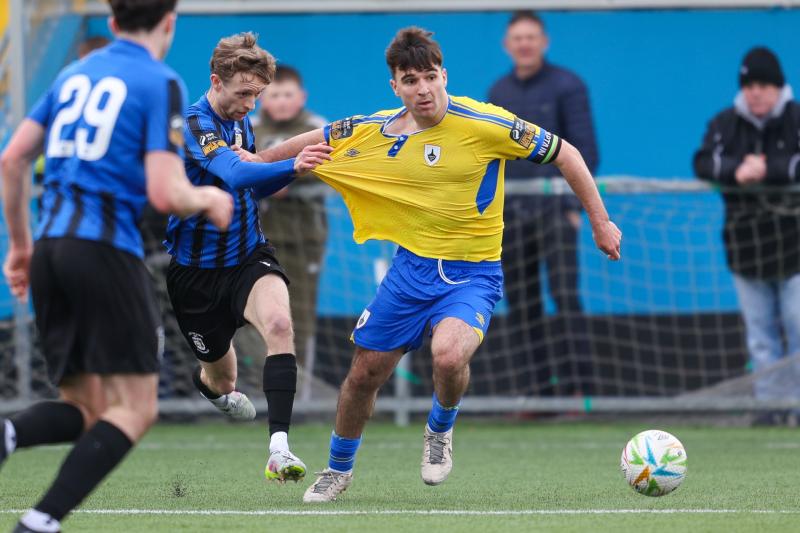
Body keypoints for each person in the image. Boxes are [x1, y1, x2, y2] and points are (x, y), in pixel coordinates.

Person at [236, 27, 621, 502]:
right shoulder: (378, 128)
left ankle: (439, 429)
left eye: (430, 77)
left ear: (445, 76)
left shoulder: (486, 123)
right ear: (395, 86)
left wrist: (601, 222)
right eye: (410, 79)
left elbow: (567, 153)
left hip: (473, 274)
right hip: (410, 272)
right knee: (362, 376)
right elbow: (316, 136)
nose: (423, 89)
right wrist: (255, 162)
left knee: (449, 354)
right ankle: (337, 470)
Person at [0, 2, 234, 532]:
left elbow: (12, 159)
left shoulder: (74, 74)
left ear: (112, 22)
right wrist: (207, 200)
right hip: (105, 254)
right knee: (135, 408)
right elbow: (164, 190)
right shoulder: (160, 81)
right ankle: (40, 523)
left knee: (87, 408)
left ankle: (7, 437)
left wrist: (19, 247)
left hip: (51, 249)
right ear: (169, 22)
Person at [163, 32, 332, 482]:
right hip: (195, 274)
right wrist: (293, 164)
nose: (250, 104)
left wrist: (298, 170)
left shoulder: (241, 122)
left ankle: (280, 450)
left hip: (248, 255)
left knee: (280, 324)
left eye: (256, 95)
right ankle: (211, 389)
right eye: (243, 94)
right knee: (223, 380)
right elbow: (236, 174)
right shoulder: (196, 123)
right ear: (216, 81)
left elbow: (257, 184)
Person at [488, 11, 599, 396]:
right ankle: (535, 393)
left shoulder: (569, 86)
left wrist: (572, 208)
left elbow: (585, 154)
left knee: (566, 298)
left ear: (544, 42)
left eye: (531, 37)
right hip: (511, 220)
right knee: (521, 303)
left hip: (556, 216)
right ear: (507, 45)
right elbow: (491, 160)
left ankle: (580, 392)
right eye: (517, 38)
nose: (524, 44)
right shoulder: (498, 93)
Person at [694, 46, 800, 425]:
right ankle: (771, 408)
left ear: (778, 86)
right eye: (749, 85)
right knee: (760, 335)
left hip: (795, 249)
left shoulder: (795, 118)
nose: (756, 92)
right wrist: (737, 170)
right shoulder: (725, 123)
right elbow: (703, 161)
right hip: (745, 249)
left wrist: (770, 169)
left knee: (797, 323)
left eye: (764, 85)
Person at [246, 65, 328, 398]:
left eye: (288, 95)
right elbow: (239, 164)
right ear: (262, 98)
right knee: (261, 314)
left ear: (302, 97)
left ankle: (300, 394)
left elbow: (329, 164)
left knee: (300, 315)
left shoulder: (316, 127)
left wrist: (285, 176)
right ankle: (257, 387)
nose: (281, 102)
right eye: (274, 95)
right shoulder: (251, 127)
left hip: (303, 241)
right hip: (258, 239)